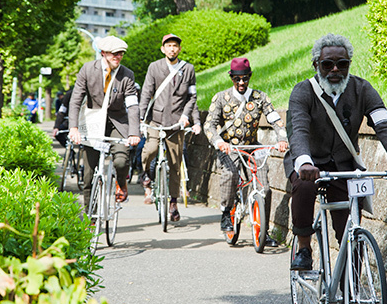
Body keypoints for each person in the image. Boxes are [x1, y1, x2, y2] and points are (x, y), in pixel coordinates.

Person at [284, 33, 387, 280]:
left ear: (348, 65)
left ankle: (351, 292)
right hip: (309, 163)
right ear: (316, 65)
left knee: (351, 231)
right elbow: (298, 128)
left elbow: (384, 125)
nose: (335, 70)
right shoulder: (303, 92)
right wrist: (304, 162)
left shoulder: (362, 89)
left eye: (342, 64)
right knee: (302, 185)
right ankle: (303, 246)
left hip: (344, 166)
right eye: (327, 65)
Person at [203, 57, 288, 247]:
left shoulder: (261, 97)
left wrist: (282, 139)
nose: (241, 83)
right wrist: (218, 142)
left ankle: (263, 232)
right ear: (231, 78)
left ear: (250, 77)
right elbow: (209, 125)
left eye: (245, 78)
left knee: (264, 187)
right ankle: (226, 213)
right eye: (237, 79)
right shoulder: (220, 98)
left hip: (251, 146)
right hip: (229, 146)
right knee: (230, 174)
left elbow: (275, 119)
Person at [68, 36, 141, 210]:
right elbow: (76, 99)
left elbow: (132, 106)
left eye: (121, 54)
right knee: (88, 174)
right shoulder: (87, 69)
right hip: (93, 121)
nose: (118, 57)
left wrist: (134, 132)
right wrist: (74, 128)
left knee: (122, 161)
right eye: (114, 54)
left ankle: (121, 184)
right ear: (103, 53)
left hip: (117, 123)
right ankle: (91, 215)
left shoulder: (127, 75)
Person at [139, 33, 202, 221]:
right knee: (149, 150)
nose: (172, 49)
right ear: (163, 49)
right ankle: (146, 175)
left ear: (179, 49)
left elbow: (192, 97)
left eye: (175, 46)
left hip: (176, 123)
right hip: (155, 120)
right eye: (169, 46)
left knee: (175, 164)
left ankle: (173, 202)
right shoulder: (154, 67)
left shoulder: (188, 69)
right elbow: (146, 93)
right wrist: (141, 117)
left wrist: (187, 116)